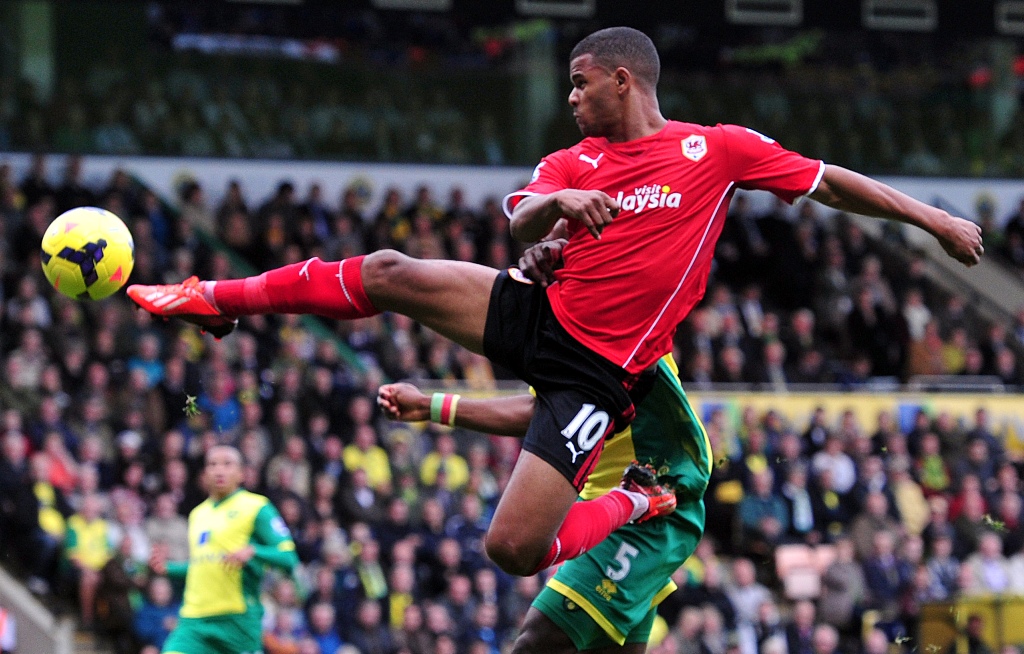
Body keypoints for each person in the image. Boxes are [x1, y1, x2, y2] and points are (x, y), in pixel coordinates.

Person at [127, 26, 983, 577]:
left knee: (513, 550)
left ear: (622, 80)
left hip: (598, 375)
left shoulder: (715, 151)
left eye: (580, 85)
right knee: (391, 269)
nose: (570, 99)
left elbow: (832, 183)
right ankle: (213, 296)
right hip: (539, 310)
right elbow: (518, 216)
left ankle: (639, 498)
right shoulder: (576, 163)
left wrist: (932, 217)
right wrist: (558, 206)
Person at [377, 348, 711, 653]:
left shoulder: (617, 312)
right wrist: (430, 406)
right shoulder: (564, 321)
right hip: (608, 506)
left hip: (656, 501)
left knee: (534, 638)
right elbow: (544, 410)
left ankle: (632, 501)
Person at [150, 445, 298, 654]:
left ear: (242, 473)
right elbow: (204, 566)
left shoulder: (257, 508)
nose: (219, 470)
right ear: (204, 474)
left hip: (237, 620)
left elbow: (289, 558)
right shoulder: (197, 515)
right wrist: (169, 568)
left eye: (227, 464)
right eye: (212, 464)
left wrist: (254, 551)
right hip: (194, 619)